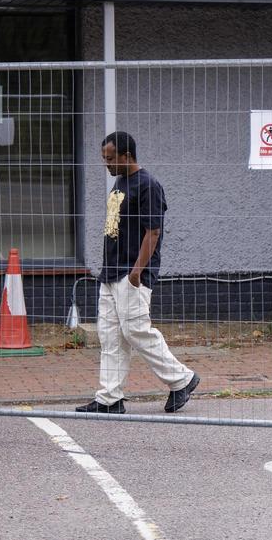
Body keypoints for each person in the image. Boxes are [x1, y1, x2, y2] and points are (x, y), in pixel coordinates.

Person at [77, 131, 200, 414]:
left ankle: (182, 379)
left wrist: (136, 272)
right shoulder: (120, 182)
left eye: (110, 159)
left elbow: (153, 230)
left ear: (126, 156)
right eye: (104, 159)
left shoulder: (148, 185)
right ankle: (109, 398)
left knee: (135, 330)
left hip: (131, 274)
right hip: (110, 273)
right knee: (110, 336)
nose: (106, 164)